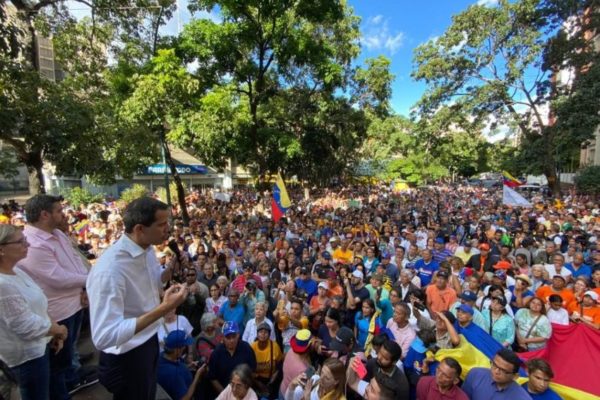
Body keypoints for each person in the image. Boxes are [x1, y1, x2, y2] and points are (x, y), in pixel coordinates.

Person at [87, 197, 189, 400]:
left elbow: (153, 285)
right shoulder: (110, 270)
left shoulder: (147, 250)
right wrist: (164, 308)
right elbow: (104, 336)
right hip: (127, 357)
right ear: (140, 228)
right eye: (161, 224)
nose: (168, 229)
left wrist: (170, 269)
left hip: (148, 343)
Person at [18, 195, 90, 398]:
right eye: (58, 210)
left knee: (66, 359)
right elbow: (56, 278)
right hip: (58, 312)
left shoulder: (58, 233)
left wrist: (84, 289)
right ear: (44, 214)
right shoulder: (32, 243)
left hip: (74, 305)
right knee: (57, 366)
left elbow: (75, 262)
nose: (63, 214)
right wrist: (89, 281)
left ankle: (69, 381)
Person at [0, 224, 68, 400]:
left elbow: (38, 305)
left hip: (41, 346)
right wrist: (58, 330)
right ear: (2, 250)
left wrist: (52, 333)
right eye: (21, 241)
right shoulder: (3, 284)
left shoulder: (16, 271)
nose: (27, 244)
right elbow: (24, 325)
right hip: (27, 359)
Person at [207, 321, 257, 396]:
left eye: (234, 336)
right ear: (223, 337)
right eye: (228, 337)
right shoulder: (216, 353)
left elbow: (252, 372)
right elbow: (213, 378)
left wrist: (243, 392)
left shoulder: (247, 349)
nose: (232, 340)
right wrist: (226, 395)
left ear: (238, 335)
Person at [462, 348, 531, 399]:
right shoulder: (475, 374)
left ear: (515, 376)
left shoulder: (522, 398)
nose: (496, 371)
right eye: (494, 365)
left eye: (503, 370)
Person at [157, 330, 206, 400]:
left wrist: (188, 366)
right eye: (183, 346)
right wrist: (197, 376)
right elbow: (184, 398)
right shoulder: (173, 374)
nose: (184, 348)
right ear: (177, 350)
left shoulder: (161, 356)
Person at [250, 322, 283, 399]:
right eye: (261, 332)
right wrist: (258, 383)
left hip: (271, 379)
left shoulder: (274, 346)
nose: (263, 334)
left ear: (269, 335)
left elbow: (280, 364)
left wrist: (274, 378)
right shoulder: (252, 347)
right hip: (256, 380)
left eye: (266, 332)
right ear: (257, 334)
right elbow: (248, 369)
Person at [281, 329, 313, 397]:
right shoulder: (303, 369)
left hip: (282, 389)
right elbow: (303, 388)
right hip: (290, 396)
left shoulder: (290, 351)